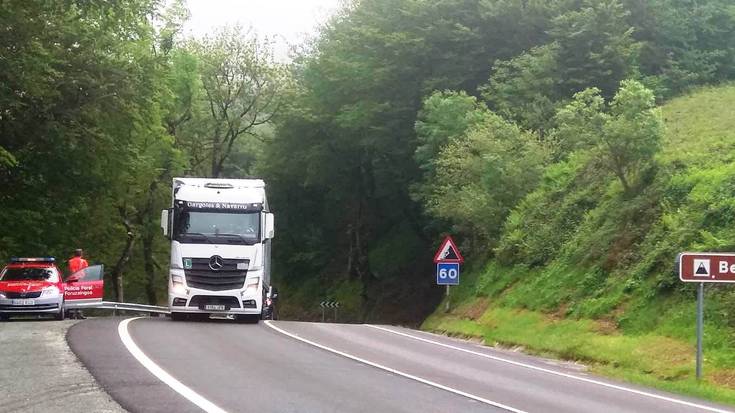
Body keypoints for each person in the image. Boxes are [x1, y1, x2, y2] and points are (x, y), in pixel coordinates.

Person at [67, 249, 89, 319]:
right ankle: (79, 312)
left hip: (72, 280)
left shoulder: (70, 261)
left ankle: (72, 313)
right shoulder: (84, 261)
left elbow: (70, 270)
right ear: (81, 254)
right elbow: (87, 270)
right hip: (81, 280)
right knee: (80, 296)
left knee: (73, 295)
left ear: (74, 254)